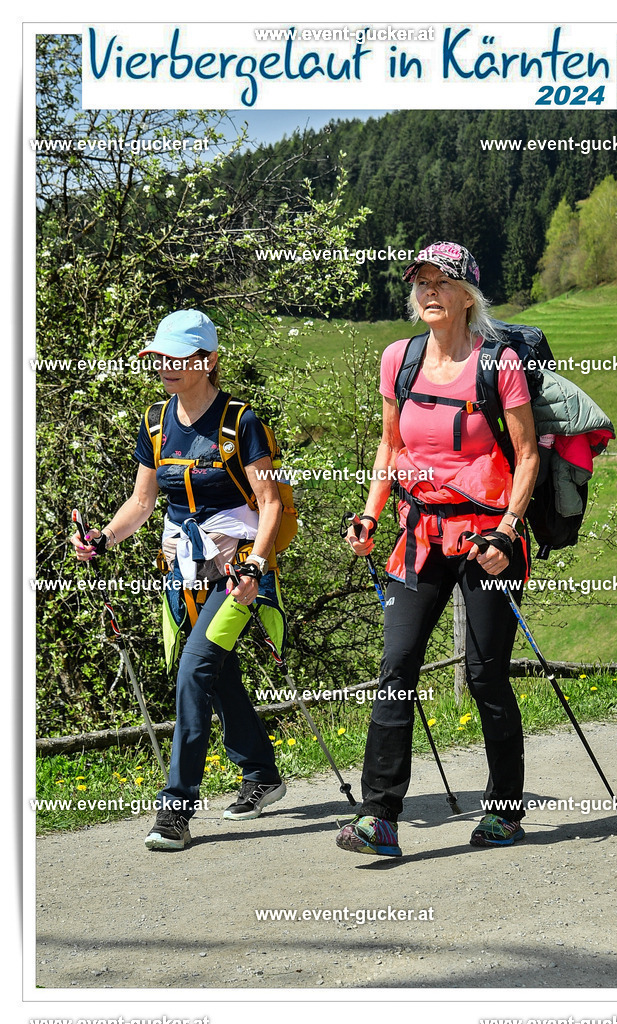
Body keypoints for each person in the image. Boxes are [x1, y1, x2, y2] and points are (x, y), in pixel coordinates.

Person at [336, 242, 540, 857]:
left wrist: (507, 532)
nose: (428, 292)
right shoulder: (398, 359)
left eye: (441, 282)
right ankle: (379, 817)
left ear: (467, 296)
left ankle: (504, 811)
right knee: (396, 667)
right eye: (420, 282)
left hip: (487, 540)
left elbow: (527, 455)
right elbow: (390, 447)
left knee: (485, 677)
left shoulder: (499, 363)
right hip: (419, 536)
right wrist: (370, 514)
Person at [71, 310, 286, 850]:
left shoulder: (242, 423)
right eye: (160, 357)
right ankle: (261, 774)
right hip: (182, 568)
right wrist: (103, 538)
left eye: (178, 357)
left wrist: (255, 568)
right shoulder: (154, 421)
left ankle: (175, 810)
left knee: (193, 672)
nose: (166, 366)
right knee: (215, 673)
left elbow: (271, 503)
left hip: (237, 571)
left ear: (208, 361)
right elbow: (143, 502)